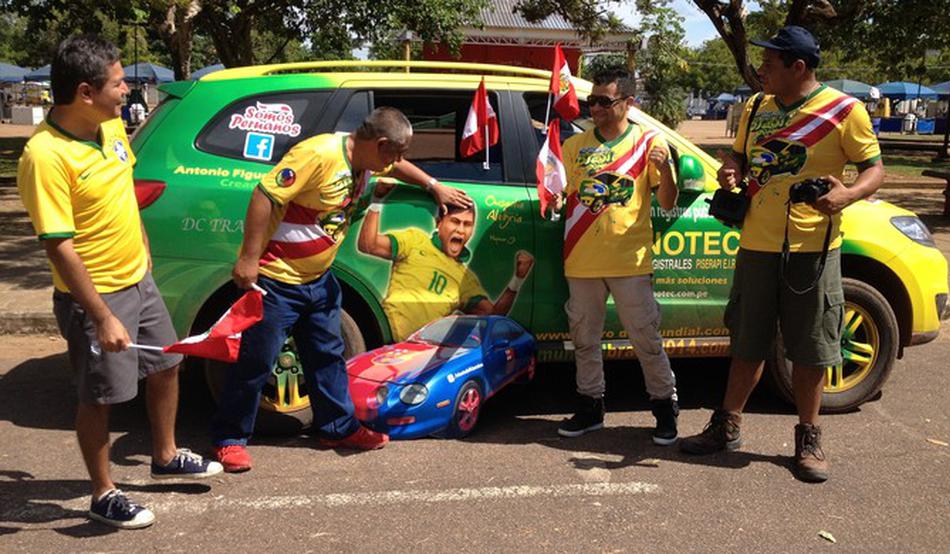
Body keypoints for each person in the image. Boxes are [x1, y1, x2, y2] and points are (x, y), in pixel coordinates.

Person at [16, 35, 222, 530]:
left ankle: (166, 454)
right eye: (118, 82)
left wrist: (146, 250)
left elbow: (123, 194)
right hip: (96, 296)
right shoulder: (44, 156)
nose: (126, 89)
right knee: (101, 397)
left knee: (168, 365)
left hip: (138, 278)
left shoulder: (109, 130)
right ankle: (103, 491)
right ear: (86, 92)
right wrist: (102, 315)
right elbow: (58, 245)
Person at [211, 107, 472, 472]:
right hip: (279, 279)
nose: (398, 161)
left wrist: (432, 185)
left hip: (318, 280)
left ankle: (337, 427)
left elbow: (396, 168)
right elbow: (265, 196)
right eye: (396, 152)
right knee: (256, 361)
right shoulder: (318, 155)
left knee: (328, 357)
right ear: (379, 144)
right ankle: (230, 438)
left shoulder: (368, 159)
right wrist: (249, 257)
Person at [679, 26, 885, 483]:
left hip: (812, 248)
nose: (762, 69)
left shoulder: (843, 111)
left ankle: (809, 438)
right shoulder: (756, 107)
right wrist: (732, 170)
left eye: (771, 63)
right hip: (756, 243)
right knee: (747, 341)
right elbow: (737, 157)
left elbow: (875, 169)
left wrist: (848, 194)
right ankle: (726, 426)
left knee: (811, 348)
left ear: (798, 67)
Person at [547, 69, 680, 443]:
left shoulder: (648, 142)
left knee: (645, 340)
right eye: (593, 101)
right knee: (585, 340)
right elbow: (562, 194)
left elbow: (667, 202)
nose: (597, 108)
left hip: (629, 262)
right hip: (582, 259)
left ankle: (664, 408)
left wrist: (665, 167)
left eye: (605, 101)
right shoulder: (574, 147)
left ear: (629, 104)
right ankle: (590, 407)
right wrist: (554, 195)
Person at [357, 179, 535, 342]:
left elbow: (493, 315)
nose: (460, 230)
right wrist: (377, 200)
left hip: (417, 352)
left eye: (467, 225)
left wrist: (517, 279)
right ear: (438, 223)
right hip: (386, 338)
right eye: (455, 221)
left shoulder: (466, 277)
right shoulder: (415, 240)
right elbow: (369, 245)